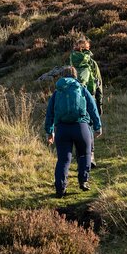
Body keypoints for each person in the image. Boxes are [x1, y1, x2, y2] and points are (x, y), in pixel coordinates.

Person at [45, 66, 102, 198]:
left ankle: (60, 189)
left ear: (62, 77)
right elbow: (93, 108)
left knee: (64, 160)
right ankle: (83, 181)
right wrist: (98, 126)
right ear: (76, 76)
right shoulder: (82, 88)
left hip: (62, 129)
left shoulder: (57, 91)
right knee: (84, 154)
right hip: (81, 127)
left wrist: (50, 131)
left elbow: (50, 113)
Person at [69, 38, 103, 168]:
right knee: (88, 127)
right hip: (89, 98)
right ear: (87, 49)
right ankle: (90, 156)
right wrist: (99, 105)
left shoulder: (70, 63)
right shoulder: (92, 63)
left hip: (72, 100)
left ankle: (79, 157)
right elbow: (98, 84)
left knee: (77, 126)